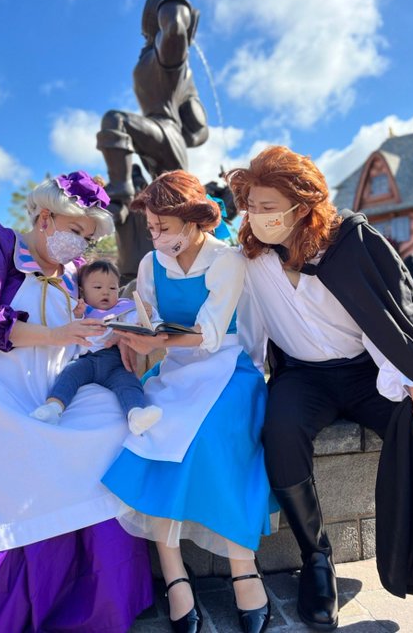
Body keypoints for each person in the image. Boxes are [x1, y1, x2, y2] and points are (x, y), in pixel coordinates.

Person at [0, 171, 153, 632]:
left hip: (48, 387)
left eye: (87, 238)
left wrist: (116, 337)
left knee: (111, 425)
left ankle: (92, 592)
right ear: (45, 218)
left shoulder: (75, 274)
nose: (81, 245)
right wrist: (57, 334)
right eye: (76, 231)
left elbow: (92, 324)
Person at [228, 145, 413, 631]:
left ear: (302, 206)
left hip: (367, 371)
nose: (256, 215)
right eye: (251, 205)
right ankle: (316, 559)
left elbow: (389, 319)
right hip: (303, 376)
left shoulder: (349, 244)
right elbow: (240, 327)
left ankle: (412, 553)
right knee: (280, 431)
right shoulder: (249, 259)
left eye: (268, 206)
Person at [102, 170, 275, 633]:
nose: (155, 236)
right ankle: (173, 570)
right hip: (175, 370)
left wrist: (154, 341)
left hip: (228, 367)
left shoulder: (227, 259)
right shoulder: (150, 263)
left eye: (163, 227)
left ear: (193, 219)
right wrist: (130, 335)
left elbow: (211, 334)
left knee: (220, 435)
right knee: (151, 430)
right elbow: (146, 314)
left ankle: (243, 567)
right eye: (150, 227)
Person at [96, 0, 209, 282]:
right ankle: (168, 256)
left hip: (166, 132)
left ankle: (120, 196)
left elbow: (174, 27)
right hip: (163, 137)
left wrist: (174, 3)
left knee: (115, 120)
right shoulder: (157, 60)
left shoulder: (170, 60)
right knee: (162, 204)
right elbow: (199, 133)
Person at [29, 258, 163, 434]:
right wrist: (77, 315)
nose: (105, 292)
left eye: (112, 288)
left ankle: (136, 414)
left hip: (115, 362)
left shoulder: (123, 309)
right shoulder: (80, 309)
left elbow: (138, 321)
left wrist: (147, 313)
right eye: (98, 287)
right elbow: (69, 327)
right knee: (69, 375)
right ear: (83, 291)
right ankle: (53, 407)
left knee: (129, 383)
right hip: (86, 359)